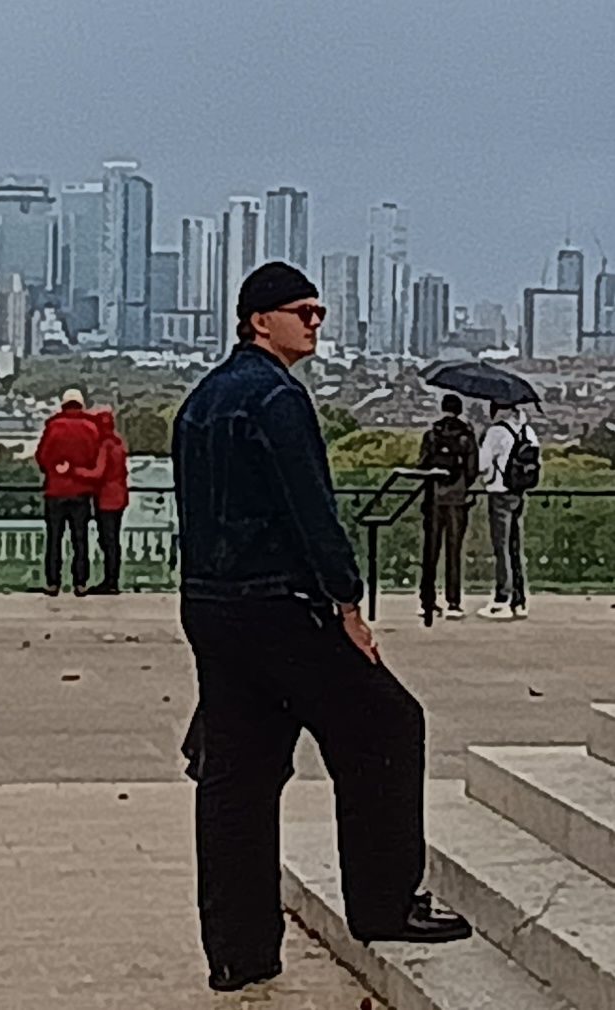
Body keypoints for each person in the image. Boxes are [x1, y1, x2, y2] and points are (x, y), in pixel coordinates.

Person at [173, 261, 471, 994]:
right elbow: (311, 508)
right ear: (258, 321)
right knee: (386, 727)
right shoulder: (276, 398)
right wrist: (346, 602)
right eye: (302, 311)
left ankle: (238, 952)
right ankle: (383, 903)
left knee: (237, 777)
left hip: (211, 606)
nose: (314, 323)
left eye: (318, 312)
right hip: (281, 605)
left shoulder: (200, 401)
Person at [477, 402, 541, 620]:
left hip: (499, 492)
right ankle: (519, 599)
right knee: (515, 546)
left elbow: (482, 464)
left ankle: (502, 599)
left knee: (501, 547)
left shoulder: (496, 432)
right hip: (519, 492)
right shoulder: (528, 432)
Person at [418, 394, 478, 619]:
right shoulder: (466, 437)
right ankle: (453, 602)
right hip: (456, 498)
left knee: (430, 551)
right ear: (460, 409)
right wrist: (461, 485)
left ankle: (427, 600)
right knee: (454, 552)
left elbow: (422, 464)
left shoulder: (432, 434)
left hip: (433, 497)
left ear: (442, 408)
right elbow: (473, 470)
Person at [35, 388, 99, 597]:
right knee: (80, 540)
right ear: (81, 404)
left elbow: (42, 457)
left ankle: (53, 582)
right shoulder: (91, 428)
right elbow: (94, 460)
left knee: (54, 539)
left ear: (63, 404)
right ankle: (80, 582)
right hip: (81, 492)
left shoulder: (54, 427)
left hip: (56, 491)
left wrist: (55, 471)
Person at [74, 409, 129, 595]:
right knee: (114, 540)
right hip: (120, 494)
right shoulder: (119, 444)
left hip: (106, 497)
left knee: (107, 540)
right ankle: (113, 579)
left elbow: (98, 472)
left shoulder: (105, 446)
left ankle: (109, 581)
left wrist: (77, 471)